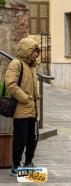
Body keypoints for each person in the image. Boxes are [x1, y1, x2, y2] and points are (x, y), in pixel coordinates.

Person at [5, 38, 40, 175]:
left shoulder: (32, 67)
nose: (36, 54)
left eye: (37, 52)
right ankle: (15, 165)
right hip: (21, 110)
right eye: (34, 51)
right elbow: (11, 84)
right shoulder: (16, 64)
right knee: (20, 139)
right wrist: (25, 98)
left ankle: (28, 162)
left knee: (33, 138)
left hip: (33, 110)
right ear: (26, 51)